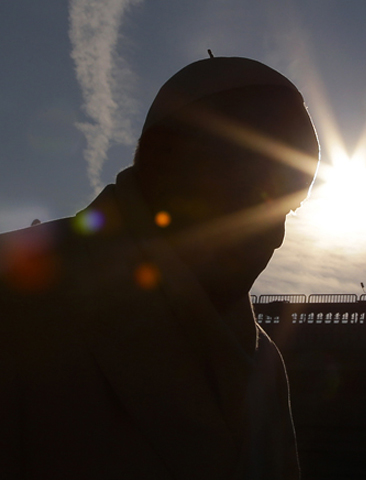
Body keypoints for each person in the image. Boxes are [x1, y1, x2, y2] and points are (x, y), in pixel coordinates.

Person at [0, 56, 319, 479]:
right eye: (253, 192)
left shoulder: (266, 368)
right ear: (173, 165)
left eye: (289, 208)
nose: (276, 234)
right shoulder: (16, 298)